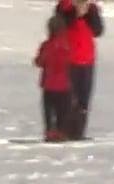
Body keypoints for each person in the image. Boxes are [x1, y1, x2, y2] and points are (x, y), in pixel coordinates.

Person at [52, 0, 101, 138]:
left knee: (83, 99)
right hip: (68, 60)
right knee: (68, 98)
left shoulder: (91, 8)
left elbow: (98, 30)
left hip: (87, 59)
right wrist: (75, 13)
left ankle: (78, 133)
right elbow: (59, 27)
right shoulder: (63, 7)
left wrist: (88, 13)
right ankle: (64, 131)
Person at [34, 13, 74, 141]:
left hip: (49, 85)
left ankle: (50, 131)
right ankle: (61, 131)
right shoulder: (68, 45)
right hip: (64, 85)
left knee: (49, 111)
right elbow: (71, 62)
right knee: (62, 110)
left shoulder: (46, 45)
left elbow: (40, 62)